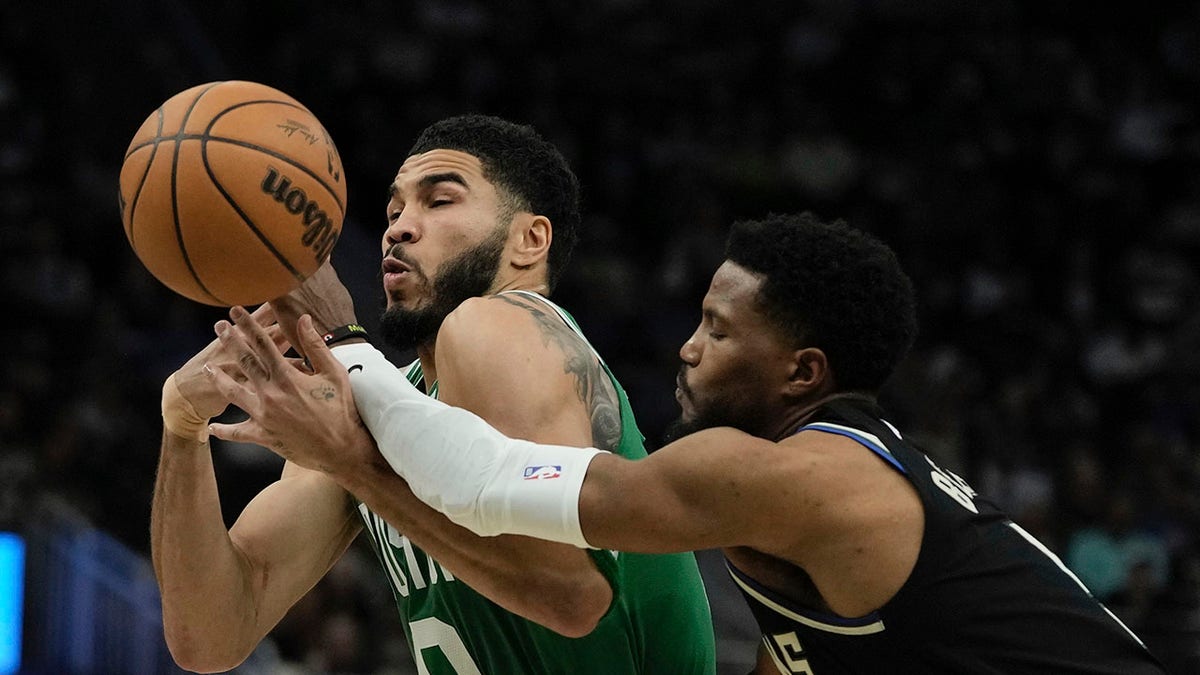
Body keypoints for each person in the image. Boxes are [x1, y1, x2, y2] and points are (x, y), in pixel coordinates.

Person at [208, 211, 1169, 674]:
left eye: (716, 328)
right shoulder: (827, 495)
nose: (686, 346)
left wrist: (344, 348)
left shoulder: (792, 477)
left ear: (801, 372)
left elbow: (491, 481)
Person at [152, 114, 716, 674]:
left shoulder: (501, 325)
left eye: (439, 201)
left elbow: (570, 596)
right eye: (394, 210)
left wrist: (344, 350)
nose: (399, 227)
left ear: (529, 240)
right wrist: (181, 423)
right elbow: (211, 635)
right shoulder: (369, 407)